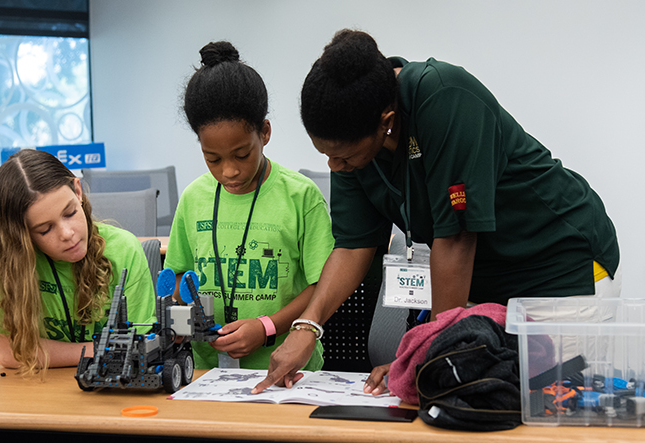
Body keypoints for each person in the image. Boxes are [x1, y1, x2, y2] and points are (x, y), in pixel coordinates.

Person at [252, 29, 620, 394]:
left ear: (386, 120)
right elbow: (353, 245)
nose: (334, 166)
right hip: (483, 290)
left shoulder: (445, 97)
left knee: (552, 412)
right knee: (473, 408)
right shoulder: (352, 133)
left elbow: (457, 238)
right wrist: (307, 327)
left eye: (343, 155)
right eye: (326, 155)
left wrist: (428, 352)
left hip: (558, 275)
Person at [163, 41, 334, 370]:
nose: (228, 171)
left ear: (265, 132)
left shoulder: (300, 197)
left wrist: (267, 327)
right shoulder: (195, 197)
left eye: (242, 155)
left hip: (286, 371)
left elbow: (321, 288)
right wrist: (187, 319)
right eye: (212, 159)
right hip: (205, 372)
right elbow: (181, 273)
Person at [0, 149, 156, 375]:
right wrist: (99, 349)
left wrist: (52, 351)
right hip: (40, 395)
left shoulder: (125, 250)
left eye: (69, 213)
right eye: (45, 229)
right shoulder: (10, 261)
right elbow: (10, 353)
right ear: (23, 237)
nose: (67, 234)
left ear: (78, 191)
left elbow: (139, 346)